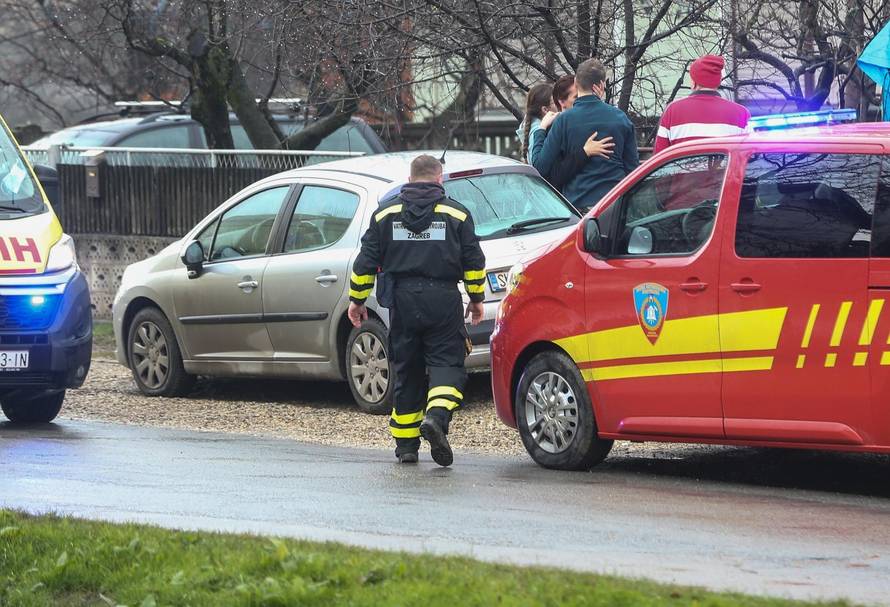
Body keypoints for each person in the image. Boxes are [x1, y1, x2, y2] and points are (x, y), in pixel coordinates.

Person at [348, 155, 485, 468]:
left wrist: (357, 301)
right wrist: (476, 298)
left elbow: (365, 262)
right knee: (448, 364)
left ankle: (407, 446)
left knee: (407, 370)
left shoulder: (385, 215)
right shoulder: (457, 214)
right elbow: (474, 262)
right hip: (443, 299)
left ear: (409, 181)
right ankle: (435, 419)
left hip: (402, 301)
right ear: (439, 179)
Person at [533, 58, 639, 211]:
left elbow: (540, 168)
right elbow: (633, 170)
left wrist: (540, 131)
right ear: (601, 85)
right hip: (614, 205)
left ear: (576, 83)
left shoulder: (563, 121)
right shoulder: (621, 119)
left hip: (578, 208)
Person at [653, 55, 750, 153]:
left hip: (682, 168)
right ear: (718, 81)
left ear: (694, 82)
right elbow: (749, 157)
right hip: (726, 169)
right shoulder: (741, 113)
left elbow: (659, 157)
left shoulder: (672, 110)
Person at [516, 83, 555, 164]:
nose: (560, 104)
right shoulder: (538, 131)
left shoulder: (531, 127)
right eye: (555, 102)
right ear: (545, 109)